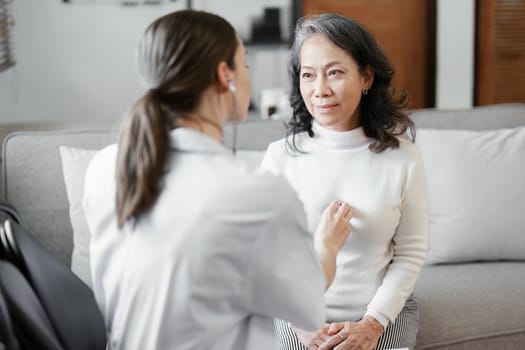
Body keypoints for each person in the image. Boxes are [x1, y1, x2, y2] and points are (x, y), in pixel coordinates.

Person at [83, 10, 353, 350]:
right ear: (225, 75)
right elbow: (308, 303)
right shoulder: (256, 193)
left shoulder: (104, 167)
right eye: (245, 65)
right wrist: (327, 244)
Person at [261, 13, 428, 350]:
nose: (320, 90)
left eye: (334, 72)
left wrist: (372, 324)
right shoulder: (280, 158)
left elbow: (410, 254)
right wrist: (302, 325)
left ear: (366, 76)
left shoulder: (403, 159)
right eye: (308, 75)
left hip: (379, 314)